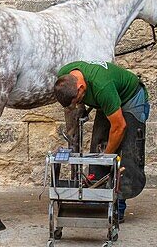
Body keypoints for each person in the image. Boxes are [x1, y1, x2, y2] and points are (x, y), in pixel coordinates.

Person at [53, 60, 150, 222]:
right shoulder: (64, 76)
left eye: (78, 101)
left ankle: (118, 206)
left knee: (127, 154)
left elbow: (119, 126)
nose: (77, 104)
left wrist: (107, 157)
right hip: (108, 99)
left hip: (131, 98)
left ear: (81, 88)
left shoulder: (102, 87)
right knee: (98, 147)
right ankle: (98, 199)